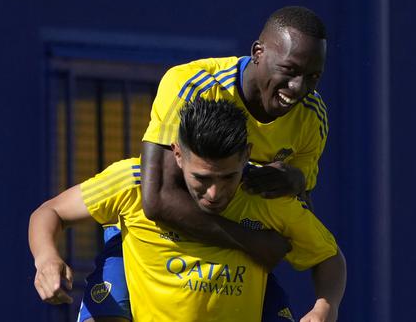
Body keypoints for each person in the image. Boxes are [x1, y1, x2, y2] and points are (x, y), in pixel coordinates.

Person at [78, 5, 329, 321]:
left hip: (232, 252)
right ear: (258, 52)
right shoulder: (192, 85)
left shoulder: (311, 117)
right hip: (151, 241)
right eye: (289, 70)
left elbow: (298, 216)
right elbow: (156, 200)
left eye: (313, 77)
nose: (298, 88)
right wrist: (253, 241)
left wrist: (293, 183)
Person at [30, 99, 346, 322]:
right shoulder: (133, 183)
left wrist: (324, 309)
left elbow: (328, 258)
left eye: (228, 178)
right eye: (202, 178)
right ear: (177, 155)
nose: (214, 193)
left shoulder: (266, 199)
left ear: (246, 156)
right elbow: (50, 212)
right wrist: (46, 259)